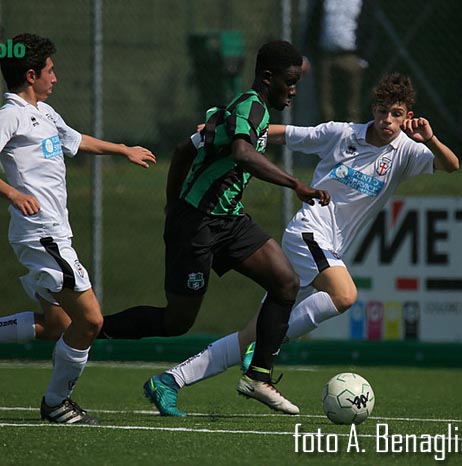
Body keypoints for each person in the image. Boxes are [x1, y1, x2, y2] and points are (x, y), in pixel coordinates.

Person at [140, 72, 460, 417]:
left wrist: (430, 139)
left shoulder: (406, 151)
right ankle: (268, 348)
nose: (387, 120)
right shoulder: (342, 134)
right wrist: (231, 129)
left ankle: (169, 381)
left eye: (396, 113)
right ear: (373, 108)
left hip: (327, 247)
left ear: (407, 115)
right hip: (308, 232)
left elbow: (451, 166)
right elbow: (284, 134)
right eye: (382, 111)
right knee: (345, 295)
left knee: (250, 334)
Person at [0, 33, 156, 424]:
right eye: (51, 70)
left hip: (52, 233)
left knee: (57, 325)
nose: (57, 77)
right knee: (90, 321)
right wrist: (13, 194)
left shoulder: (46, 113)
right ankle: (55, 403)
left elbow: (76, 140)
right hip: (42, 235)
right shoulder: (9, 116)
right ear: (31, 74)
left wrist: (123, 150)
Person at [97, 41, 330, 415]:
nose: (294, 90)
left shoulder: (248, 112)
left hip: (229, 221)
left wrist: (171, 200)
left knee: (286, 282)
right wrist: (295, 184)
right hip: (197, 226)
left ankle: (259, 376)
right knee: (177, 321)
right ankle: (95, 329)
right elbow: (242, 152)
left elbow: (185, 149)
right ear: (268, 79)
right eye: (290, 81)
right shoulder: (249, 107)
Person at [305, 0, 374, 122]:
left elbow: (370, 26)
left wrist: (363, 59)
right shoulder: (323, 2)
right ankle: (327, 138)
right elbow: (313, 24)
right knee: (324, 105)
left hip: (351, 57)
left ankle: (351, 138)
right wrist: (309, 54)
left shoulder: (362, 2)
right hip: (325, 56)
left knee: (351, 106)